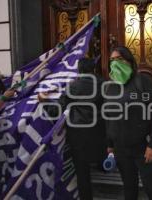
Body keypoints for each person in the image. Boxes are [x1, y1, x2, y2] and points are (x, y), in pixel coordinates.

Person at [38, 58, 106, 200]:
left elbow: (55, 111)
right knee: (102, 159)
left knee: (82, 173)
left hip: (78, 134)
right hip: (101, 133)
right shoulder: (105, 84)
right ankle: (103, 165)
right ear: (93, 69)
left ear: (79, 70)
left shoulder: (73, 87)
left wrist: (44, 101)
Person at [105, 46, 152, 200]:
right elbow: (109, 117)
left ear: (130, 61)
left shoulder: (143, 81)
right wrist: (110, 145)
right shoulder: (110, 87)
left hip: (143, 147)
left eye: (119, 59)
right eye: (112, 60)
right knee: (129, 188)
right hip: (120, 148)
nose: (115, 63)